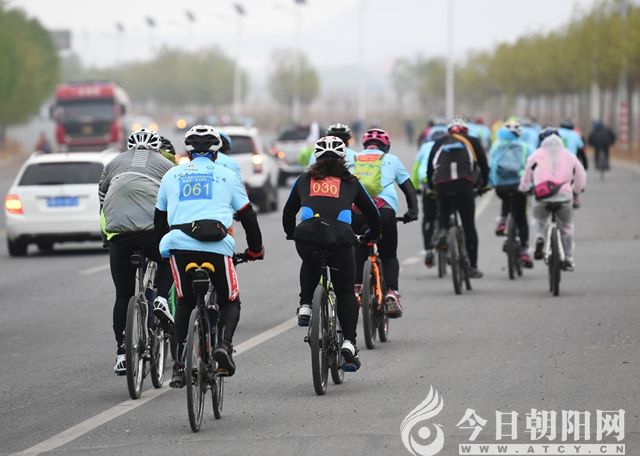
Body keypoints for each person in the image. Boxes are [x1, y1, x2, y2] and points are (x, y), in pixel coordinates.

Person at [154, 125, 264, 386]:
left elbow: (159, 219)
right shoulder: (227, 175)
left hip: (179, 246)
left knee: (184, 302)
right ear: (216, 152)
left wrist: (162, 249)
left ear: (188, 152)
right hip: (216, 247)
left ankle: (179, 365)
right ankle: (224, 346)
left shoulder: (172, 175)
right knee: (230, 300)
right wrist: (255, 250)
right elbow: (248, 216)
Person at [282, 136, 381, 370]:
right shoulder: (351, 182)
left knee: (310, 260)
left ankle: (306, 305)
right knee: (345, 291)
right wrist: (371, 235)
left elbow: (288, 212)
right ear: (343, 158)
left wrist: (291, 233)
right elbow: (373, 214)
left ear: (316, 158)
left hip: (307, 237)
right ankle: (349, 343)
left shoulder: (304, 179)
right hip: (340, 240)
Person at [99, 128, 174, 375]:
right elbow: (174, 203)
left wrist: (107, 238)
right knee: (169, 258)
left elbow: (102, 201)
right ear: (156, 148)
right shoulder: (166, 165)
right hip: (150, 230)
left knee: (122, 296)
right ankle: (161, 298)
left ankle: (122, 353)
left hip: (118, 232)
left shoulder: (113, 163)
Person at [352, 128, 418, 317]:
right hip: (384, 212)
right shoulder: (392, 160)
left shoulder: (353, 159)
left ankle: (356, 289)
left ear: (365, 145)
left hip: (357, 212)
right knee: (389, 255)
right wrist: (412, 212)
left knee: (359, 248)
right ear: (386, 146)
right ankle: (391, 293)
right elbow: (409, 189)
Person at [427, 116, 489, 278]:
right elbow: (483, 165)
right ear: (466, 131)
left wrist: (433, 187)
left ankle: (442, 231)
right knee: (469, 226)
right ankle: (473, 266)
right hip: (464, 184)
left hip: (441, 184)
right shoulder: (473, 141)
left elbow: (430, 167)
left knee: (444, 211)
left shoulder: (439, 142)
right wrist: (484, 185)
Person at [519, 127, 587, 271]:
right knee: (566, 226)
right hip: (564, 197)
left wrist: (525, 188)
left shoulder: (536, 155)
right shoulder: (569, 155)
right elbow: (580, 176)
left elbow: (527, 174)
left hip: (542, 196)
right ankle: (568, 258)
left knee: (538, 220)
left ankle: (539, 237)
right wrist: (576, 190)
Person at [488, 120, 534, 267]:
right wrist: (532, 186)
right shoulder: (526, 147)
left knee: (506, 200)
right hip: (519, 186)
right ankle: (525, 249)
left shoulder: (496, 146)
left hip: (501, 187)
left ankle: (502, 220)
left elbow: (491, 166)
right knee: (521, 217)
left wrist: (492, 183)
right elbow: (533, 168)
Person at [411, 129, 447, 267]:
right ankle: (451, 239)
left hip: (427, 184)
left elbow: (416, 168)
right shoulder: (448, 145)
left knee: (428, 218)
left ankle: (428, 250)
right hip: (446, 183)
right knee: (449, 211)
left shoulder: (425, 147)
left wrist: (415, 187)